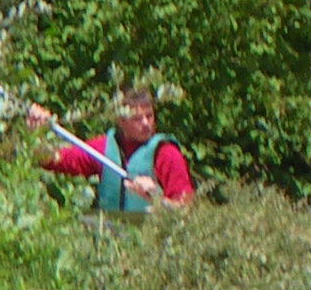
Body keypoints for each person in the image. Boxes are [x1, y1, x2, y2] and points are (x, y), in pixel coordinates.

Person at [27, 85, 194, 212]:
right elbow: (54, 160)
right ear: (121, 121)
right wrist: (37, 132)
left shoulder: (167, 154)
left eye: (149, 116)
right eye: (137, 118)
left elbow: (187, 210)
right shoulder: (103, 148)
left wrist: (157, 198)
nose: (146, 123)